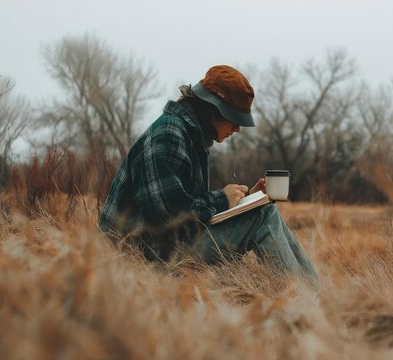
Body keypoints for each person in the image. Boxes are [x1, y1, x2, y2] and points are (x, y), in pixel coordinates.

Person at [98, 65, 317, 282]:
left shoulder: (186, 135)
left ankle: (313, 295)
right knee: (263, 217)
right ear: (213, 111)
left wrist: (247, 201)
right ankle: (301, 301)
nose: (238, 129)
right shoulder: (168, 135)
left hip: (163, 245)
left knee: (264, 208)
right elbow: (171, 219)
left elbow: (184, 205)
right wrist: (223, 198)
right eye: (235, 119)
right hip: (144, 257)